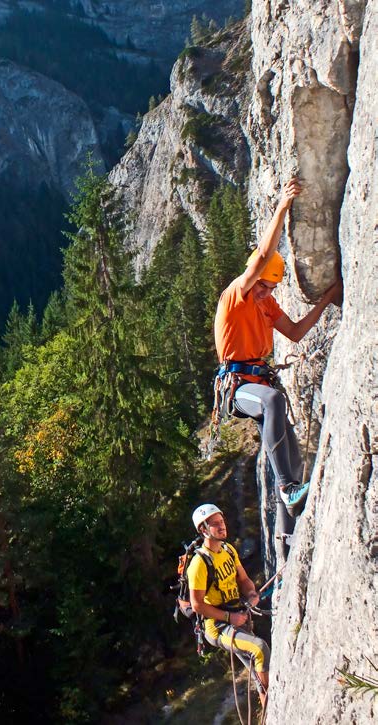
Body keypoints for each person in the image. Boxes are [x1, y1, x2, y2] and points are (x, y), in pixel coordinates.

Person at [214, 178, 342, 544]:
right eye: (261, 286)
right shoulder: (236, 296)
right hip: (238, 390)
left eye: (269, 288)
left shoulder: (266, 304)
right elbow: (260, 259)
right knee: (273, 401)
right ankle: (286, 487)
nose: (263, 292)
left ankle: (288, 536)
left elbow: (298, 332)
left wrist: (328, 297)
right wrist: (283, 206)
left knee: (291, 449)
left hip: (258, 384)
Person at [188, 503, 270, 706]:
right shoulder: (199, 564)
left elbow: (243, 579)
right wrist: (229, 618)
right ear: (203, 529)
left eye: (222, 521)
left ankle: (267, 704)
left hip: (238, 617)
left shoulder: (228, 550)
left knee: (257, 666)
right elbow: (197, 605)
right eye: (215, 524)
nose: (222, 526)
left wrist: (251, 592)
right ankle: (271, 699)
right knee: (259, 649)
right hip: (218, 627)